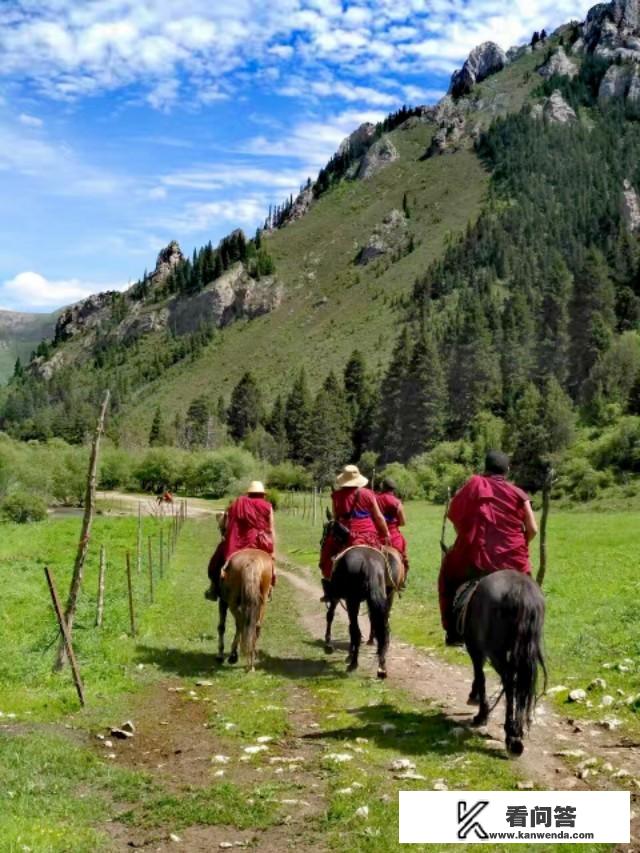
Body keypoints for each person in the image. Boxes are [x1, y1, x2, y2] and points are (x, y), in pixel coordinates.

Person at [438, 450, 538, 645]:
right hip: (513, 558)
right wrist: (519, 543)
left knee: (447, 574)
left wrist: (467, 536)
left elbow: (455, 516)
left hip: (478, 556)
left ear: (485, 468)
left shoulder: (473, 484)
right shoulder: (519, 494)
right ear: (507, 470)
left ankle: (452, 631)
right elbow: (533, 529)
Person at [319, 464, 391, 601]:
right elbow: (378, 517)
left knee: (327, 553)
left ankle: (329, 587)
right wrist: (386, 533)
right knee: (384, 554)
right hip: (368, 534)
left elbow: (335, 518)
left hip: (345, 536)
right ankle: (388, 583)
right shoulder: (368, 493)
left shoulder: (337, 495)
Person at [206, 481, 276, 601]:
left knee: (216, 560)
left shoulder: (238, 503)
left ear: (249, 493)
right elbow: (271, 529)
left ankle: (213, 588)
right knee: (271, 564)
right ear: (263, 494)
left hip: (239, 543)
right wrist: (273, 550)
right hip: (260, 543)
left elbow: (228, 525)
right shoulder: (268, 506)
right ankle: (269, 587)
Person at [376, 477, 409, 580]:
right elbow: (403, 522)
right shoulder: (397, 502)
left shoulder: (375, 499)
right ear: (393, 489)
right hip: (393, 535)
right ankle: (402, 579)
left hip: (376, 534)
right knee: (403, 556)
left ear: (383, 487)